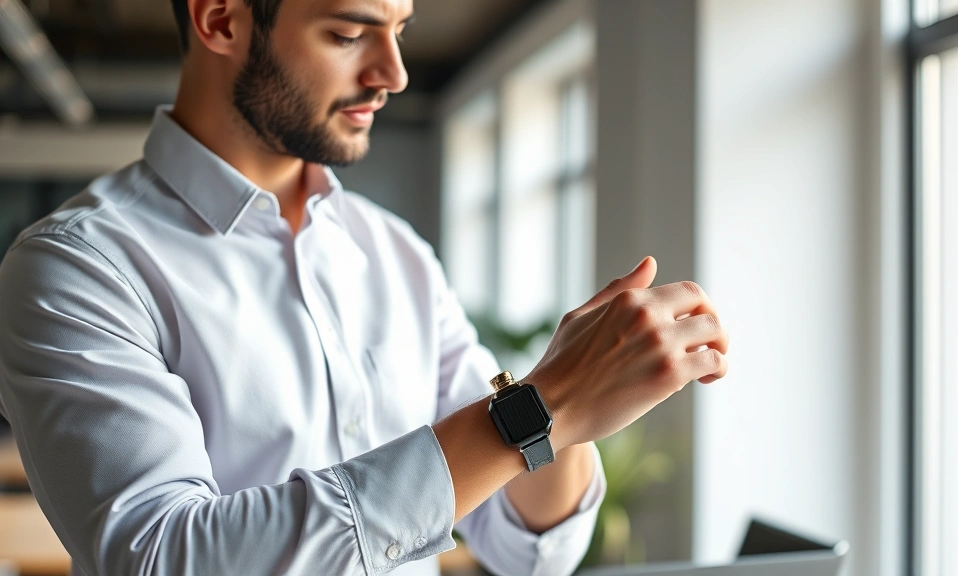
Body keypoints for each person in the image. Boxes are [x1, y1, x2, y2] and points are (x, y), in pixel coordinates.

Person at [0, 0, 730, 574]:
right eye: (352, 32)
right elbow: (162, 559)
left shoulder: (395, 253)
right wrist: (545, 404)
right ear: (221, 18)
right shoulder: (78, 267)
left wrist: (564, 415)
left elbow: (531, 548)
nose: (395, 72)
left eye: (401, 29)